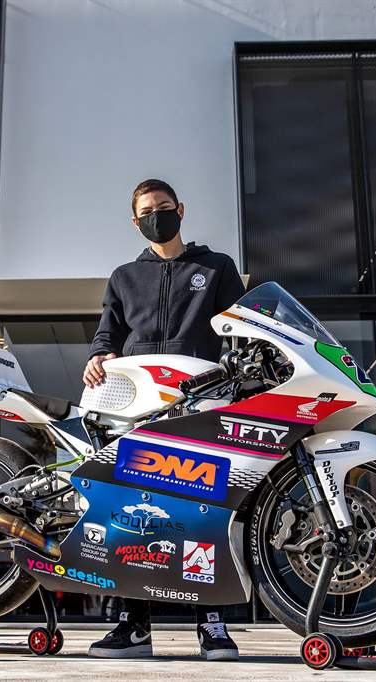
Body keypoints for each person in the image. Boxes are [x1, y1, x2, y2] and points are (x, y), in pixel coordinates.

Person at [83, 178, 245, 660]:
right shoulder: (124, 277)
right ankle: (133, 625)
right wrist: (97, 357)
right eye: (148, 211)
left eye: (164, 207)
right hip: (139, 406)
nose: (158, 216)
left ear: (181, 210)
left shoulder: (216, 267)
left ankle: (211, 623)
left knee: (203, 512)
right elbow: (107, 334)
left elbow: (241, 328)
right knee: (132, 514)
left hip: (201, 404)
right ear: (136, 223)